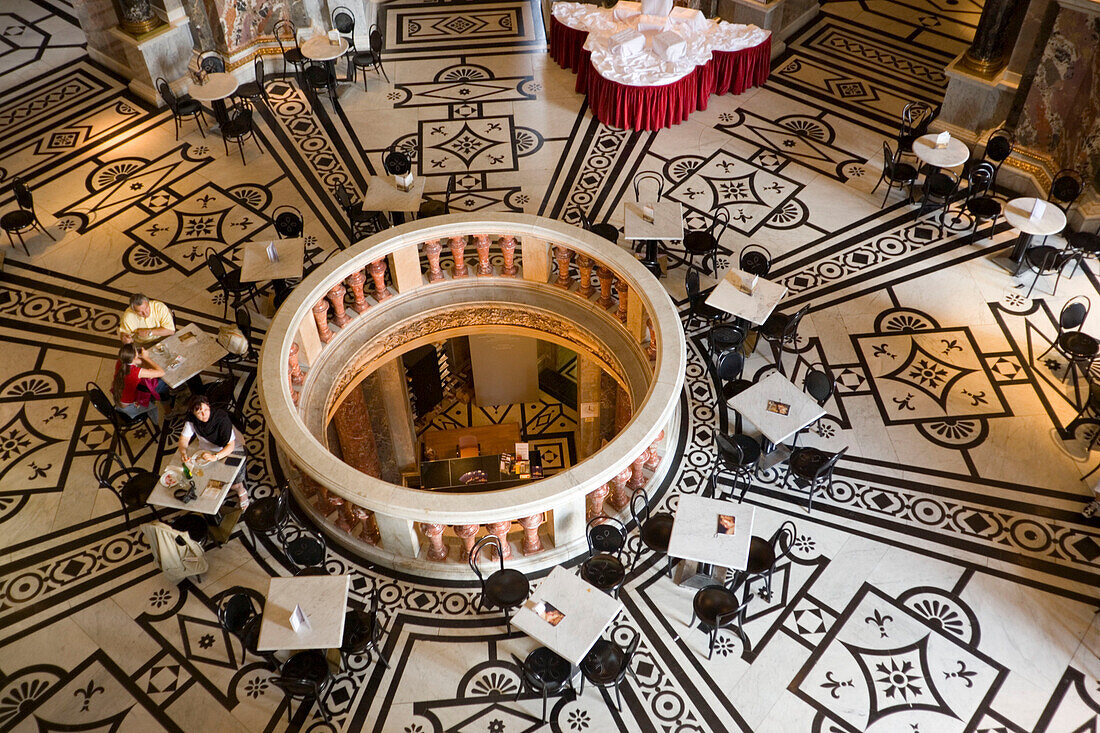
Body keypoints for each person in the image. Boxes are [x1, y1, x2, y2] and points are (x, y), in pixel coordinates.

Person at [178, 395, 248, 509]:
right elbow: (184, 438)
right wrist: (183, 452)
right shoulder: (192, 420)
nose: (204, 414)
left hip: (232, 449)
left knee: (232, 471)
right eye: (200, 412)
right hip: (208, 449)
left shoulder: (221, 418)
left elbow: (231, 445)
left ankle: (240, 488)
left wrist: (215, 457)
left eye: (206, 410)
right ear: (193, 413)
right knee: (200, 472)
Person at [111, 344, 169, 424]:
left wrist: (142, 359)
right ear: (135, 356)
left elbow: (139, 362)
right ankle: (169, 413)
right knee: (162, 385)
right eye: (136, 351)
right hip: (129, 407)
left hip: (120, 399)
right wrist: (146, 358)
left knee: (151, 381)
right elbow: (161, 373)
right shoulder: (134, 372)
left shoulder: (121, 362)